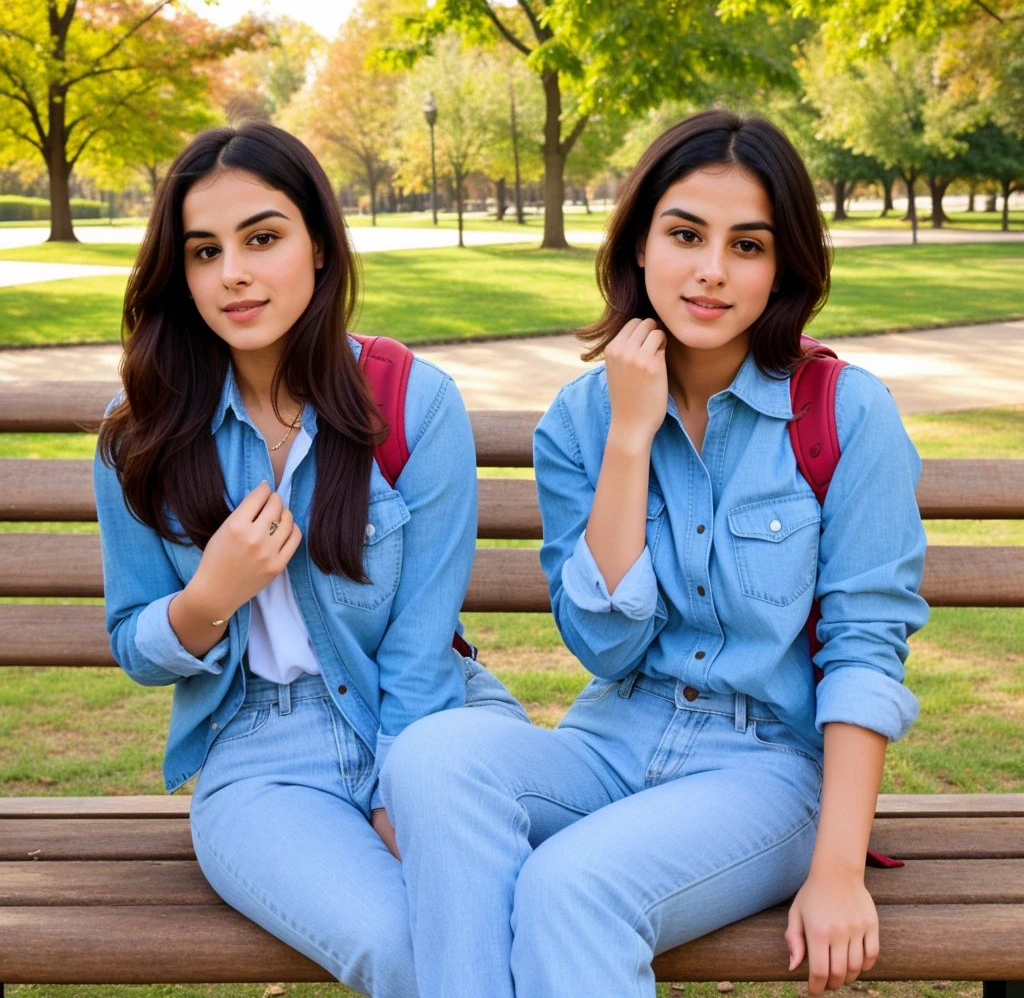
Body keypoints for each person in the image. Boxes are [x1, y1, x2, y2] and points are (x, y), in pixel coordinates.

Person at [380, 109, 929, 998]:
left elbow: (866, 647)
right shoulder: (582, 420)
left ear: (781, 264)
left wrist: (837, 871)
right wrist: (631, 440)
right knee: (431, 756)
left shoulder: (847, 414)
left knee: (571, 890)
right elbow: (604, 647)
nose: (712, 270)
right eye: (685, 234)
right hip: (610, 736)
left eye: (747, 245)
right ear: (640, 243)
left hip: (767, 768)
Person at [94, 122, 525, 998]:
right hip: (258, 754)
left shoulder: (413, 403)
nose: (233, 274)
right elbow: (133, 639)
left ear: (320, 247)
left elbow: (422, 639)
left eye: (262, 238)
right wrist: (208, 597)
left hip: (431, 722)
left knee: (520, 915)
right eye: (204, 252)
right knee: (406, 946)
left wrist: (401, 788)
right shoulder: (140, 433)